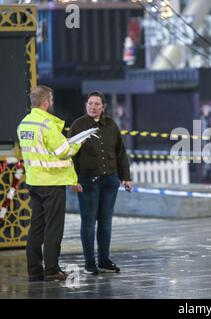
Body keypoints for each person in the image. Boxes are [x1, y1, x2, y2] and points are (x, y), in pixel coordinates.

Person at [17, 85, 81, 281]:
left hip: (34, 181)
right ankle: (52, 269)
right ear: (45, 103)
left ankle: (34, 270)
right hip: (52, 183)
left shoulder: (24, 124)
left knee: (36, 227)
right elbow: (64, 150)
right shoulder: (46, 124)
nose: (52, 103)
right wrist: (78, 142)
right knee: (53, 227)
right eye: (51, 100)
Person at [68, 91, 132, 275]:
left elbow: (121, 153)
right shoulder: (78, 125)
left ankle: (104, 260)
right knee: (88, 223)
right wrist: (72, 180)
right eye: (90, 103)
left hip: (110, 181)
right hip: (87, 182)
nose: (92, 107)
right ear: (86, 105)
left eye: (96, 104)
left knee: (106, 222)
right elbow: (69, 155)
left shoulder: (111, 125)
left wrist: (125, 177)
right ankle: (89, 263)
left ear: (103, 107)